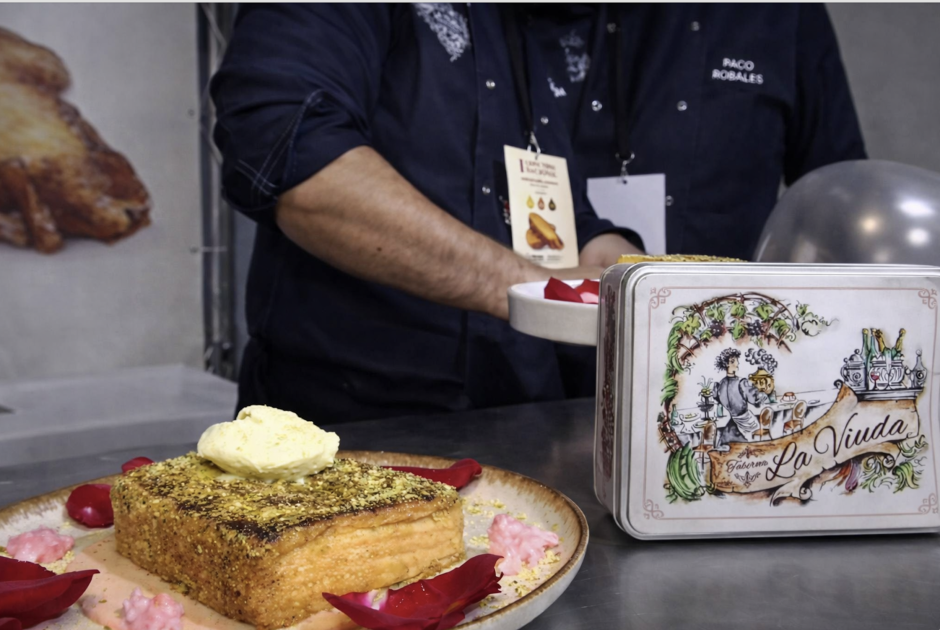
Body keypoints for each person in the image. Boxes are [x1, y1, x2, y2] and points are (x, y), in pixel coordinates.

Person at [210, 5, 642, 423]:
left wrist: (596, 242)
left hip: (517, 419)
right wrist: (526, 288)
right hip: (349, 429)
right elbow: (298, 163)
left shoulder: (521, 21)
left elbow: (523, 187)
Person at [533, 4, 867, 261]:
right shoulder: (521, 15)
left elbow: (840, 194)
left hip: (731, 328)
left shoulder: (781, 12)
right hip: (548, 321)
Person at [713, 349, 766, 449]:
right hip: (747, 422)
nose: (738, 363)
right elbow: (755, 402)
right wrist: (761, 397)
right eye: (736, 360)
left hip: (733, 421)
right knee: (757, 444)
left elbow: (719, 400)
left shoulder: (720, 385)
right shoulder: (741, 382)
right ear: (730, 363)